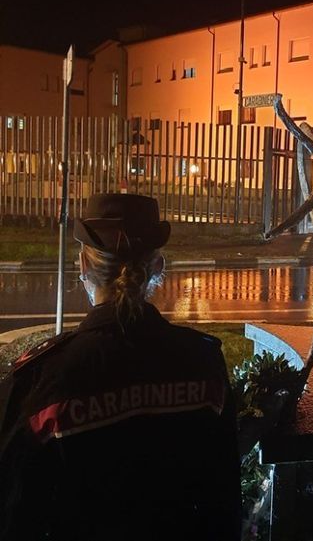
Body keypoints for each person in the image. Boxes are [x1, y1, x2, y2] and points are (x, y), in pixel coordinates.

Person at [0, 193, 242, 541]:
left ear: (83, 265)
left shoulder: (43, 380)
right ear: (157, 267)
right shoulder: (203, 361)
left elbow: (14, 513)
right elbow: (224, 502)